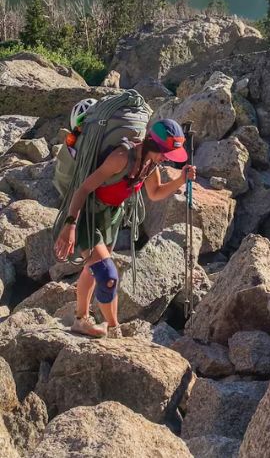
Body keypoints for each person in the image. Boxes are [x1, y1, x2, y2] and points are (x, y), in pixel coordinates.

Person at [53, 118, 196, 338]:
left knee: (92, 269)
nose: (165, 158)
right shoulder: (121, 158)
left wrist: (181, 180)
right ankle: (113, 328)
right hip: (88, 215)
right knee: (108, 275)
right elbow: (82, 189)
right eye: (163, 152)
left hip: (111, 216)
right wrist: (70, 225)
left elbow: (155, 193)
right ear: (151, 143)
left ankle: (81, 320)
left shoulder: (150, 164)